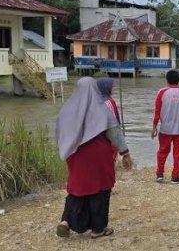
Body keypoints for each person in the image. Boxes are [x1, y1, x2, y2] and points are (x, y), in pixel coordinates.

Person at [55, 77, 133, 239]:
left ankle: (66, 220)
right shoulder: (102, 109)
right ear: (96, 89)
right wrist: (125, 153)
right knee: (100, 189)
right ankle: (98, 229)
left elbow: (59, 134)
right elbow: (115, 134)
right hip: (98, 156)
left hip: (75, 155)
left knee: (77, 187)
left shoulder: (66, 110)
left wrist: (65, 150)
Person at [151, 70, 179, 184]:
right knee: (178, 154)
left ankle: (160, 175)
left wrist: (154, 127)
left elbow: (157, 111)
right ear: (178, 80)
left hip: (165, 129)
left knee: (162, 151)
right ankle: (175, 177)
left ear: (167, 80)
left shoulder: (162, 92)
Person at [98, 77, 121, 160]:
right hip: (108, 138)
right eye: (112, 86)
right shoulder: (110, 102)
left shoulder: (94, 100)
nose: (113, 88)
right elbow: (115, 122)